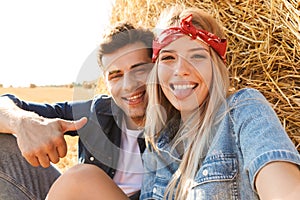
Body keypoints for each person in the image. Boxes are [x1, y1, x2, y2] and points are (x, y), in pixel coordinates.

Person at [140, 5, 300, 200]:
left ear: (215, 66)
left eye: (197, 56)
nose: (181, 69)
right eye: (168, 57)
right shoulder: (157, 146)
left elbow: (286, 192)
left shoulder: (243, 111)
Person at [0, 21, 153, 200]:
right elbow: (5, 104)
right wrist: (21, 122)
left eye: (139, 69)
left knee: (81, 176)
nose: (128, 85)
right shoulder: (95, 112)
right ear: (105, 82)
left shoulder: (180, 121)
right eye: (116, 75)